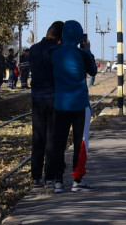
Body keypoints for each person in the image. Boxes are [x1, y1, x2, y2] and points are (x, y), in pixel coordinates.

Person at [47, 20, 97, 193]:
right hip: (80, 105)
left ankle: (58, 181)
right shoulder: (82, 54)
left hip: (60, 104)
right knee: (80, 143)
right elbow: (93, 71)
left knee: (58, 143)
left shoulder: (53, 53)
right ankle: (77, 180)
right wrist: (87, 50)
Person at [29, 21, 63, 187]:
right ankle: (50, 176)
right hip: (54, 98)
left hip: (37, 98)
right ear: (60, 37)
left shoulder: (33, 49)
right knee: (52, 139)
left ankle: (36, 176)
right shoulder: (57, 50)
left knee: (38, 137)